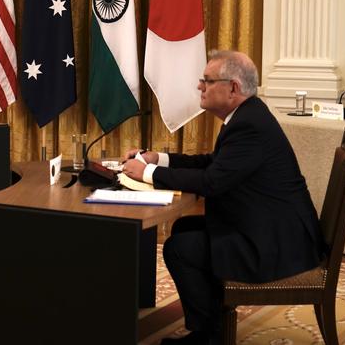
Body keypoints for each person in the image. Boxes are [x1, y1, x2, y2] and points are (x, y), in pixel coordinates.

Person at [122, 50, 326, 344]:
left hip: (277, 244)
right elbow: (214, 163)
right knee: (184, 230)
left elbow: (212, 182)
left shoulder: (249, 125)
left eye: (207, 81)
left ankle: (208, 336)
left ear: (233, 88)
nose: (199, 87)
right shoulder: (248, 116)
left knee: (179, 248)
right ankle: (212, 324)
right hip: (272, 228)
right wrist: (159, 159)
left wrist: (147, 173)